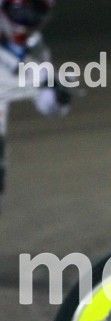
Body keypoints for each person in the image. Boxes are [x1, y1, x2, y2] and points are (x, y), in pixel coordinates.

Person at [0, 0, 69, 211]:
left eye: (35, 14)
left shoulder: (34, 48)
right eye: (21, 12)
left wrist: (58, 96)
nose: (27, 20)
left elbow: (49, 106)